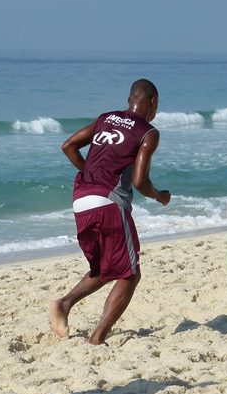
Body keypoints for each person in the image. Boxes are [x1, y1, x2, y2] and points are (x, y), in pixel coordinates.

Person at [48, 79, 170, 345]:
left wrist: (89, 173)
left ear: (129, 100)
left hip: (81, 199)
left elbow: (68, 146)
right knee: (130, 273)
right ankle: (97, 337)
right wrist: (159, 195)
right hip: (108, 202)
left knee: (108, 266)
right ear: (153, 102)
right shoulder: (148, 132)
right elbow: (140, 181)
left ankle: (64, 304)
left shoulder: (106, 119)